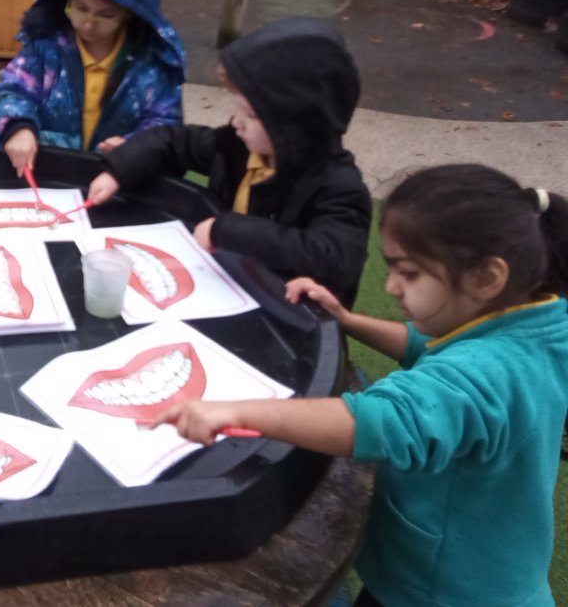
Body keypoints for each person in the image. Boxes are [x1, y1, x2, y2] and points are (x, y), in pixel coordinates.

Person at [158, 164, 568, 607]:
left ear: (487, 278)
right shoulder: (538, 324)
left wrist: (235, 411)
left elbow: (376, 421)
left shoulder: (484, 373)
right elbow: (429, 347)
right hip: (498, 573)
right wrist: (347, 320)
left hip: (437, 590)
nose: (391, 286)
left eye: (409, 273)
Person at [88, 16, 371, 306]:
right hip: (225, 290)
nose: (237, 122)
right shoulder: (237, 147)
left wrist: (228, 230)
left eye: (251, 114)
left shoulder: (339, 187)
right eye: (237, 108)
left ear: (295, 125)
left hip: (290, 318)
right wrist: (119, 169)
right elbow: (176, 141)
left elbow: (334, 258)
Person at [0, 0, 186, 175]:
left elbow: (165, 125)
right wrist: (18, 127)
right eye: (80, 8)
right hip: (49, 177)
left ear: (130, 13)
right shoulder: (45, 48)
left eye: (106, 15)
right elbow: (12, 90)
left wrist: (136, 147)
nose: (89, 24)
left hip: (117, 183)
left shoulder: (150, 66)